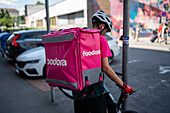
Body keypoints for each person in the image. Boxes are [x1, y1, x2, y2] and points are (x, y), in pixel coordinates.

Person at [73, 10, 134, 113]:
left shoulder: (79, 39)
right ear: (102, 26)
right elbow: (105, 67)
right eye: (106, 30)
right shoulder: (101, 40)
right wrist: (123, 85)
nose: (105, 33)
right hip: (95, 92)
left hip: (78, 93)